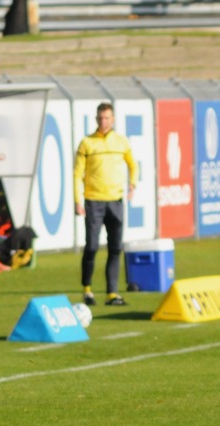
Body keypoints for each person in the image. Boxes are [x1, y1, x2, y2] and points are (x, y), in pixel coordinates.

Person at [73, 102, 137, 306]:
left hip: (115, 201)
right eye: (100, 118)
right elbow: (77, 174)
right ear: (96, 119)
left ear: (113, 119)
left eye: (107, 118)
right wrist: (78, 200)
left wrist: (133, 184)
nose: (103, 121)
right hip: (94, 201)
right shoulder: (87, 143)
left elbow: (133, 165)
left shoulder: (121, 142)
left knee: (115, 248)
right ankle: (87, 289)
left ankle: (112, 293)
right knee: (92, 246)